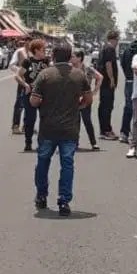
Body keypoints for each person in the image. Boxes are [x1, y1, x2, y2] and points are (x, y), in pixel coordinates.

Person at [30, 42, 92, 216]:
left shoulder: (45, 75)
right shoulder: (79, 75)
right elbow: (88, 100)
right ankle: (64, 200)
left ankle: (41, 196)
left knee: (43, 162)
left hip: (48, 127)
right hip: (70, 128)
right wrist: (77, 106)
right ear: (70, 55)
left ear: (54, 56)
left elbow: (34, 101)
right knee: (67, 164)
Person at [16, 38, 50, 151]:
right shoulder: (28, 62)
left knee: (45, 118)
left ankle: (43, 142)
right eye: (42, 49)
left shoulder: (47, 61)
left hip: (44, 93)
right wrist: (25, 85)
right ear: (36, 50)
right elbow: (18, 75)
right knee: (30, 118)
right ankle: (28, 142)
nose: (44, 51)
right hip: (30, 93)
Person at [72, 49, 102, 150]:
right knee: (75, 121)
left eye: (73, 57)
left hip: (85, 97)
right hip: (73, 97)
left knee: (87, 120)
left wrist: (94, 91)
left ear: (79, 58)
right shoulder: (70, 68)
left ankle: (93, 142)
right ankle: (75, 142)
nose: (71, 59)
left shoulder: (87, 68)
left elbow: (100, 77)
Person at [119, 31, 137, 141]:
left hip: (129, 81)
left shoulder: (127, 49)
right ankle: (135, 134)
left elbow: (122, 63)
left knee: (128, 107)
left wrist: (127, 75)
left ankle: (124, 133)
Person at [96, 31, 120, 140]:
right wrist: (112, 79)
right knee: (107, 106)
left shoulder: (104, 47)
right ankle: (106, 130)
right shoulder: (110, 49)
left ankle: (104, 129)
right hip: (106, 82)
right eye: (117, 40)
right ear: (114, 39)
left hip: (103, 82)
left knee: (104, 105)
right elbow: (108, 64)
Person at [9, 37, 29, 134]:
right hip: (22, 81)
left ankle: (27, 126)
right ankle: (15, 125)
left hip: (32, 82)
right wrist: (20, 71)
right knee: (19, 104)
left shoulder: (35, 52)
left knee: (30, 105)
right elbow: (12, 65)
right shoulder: (20, 52)